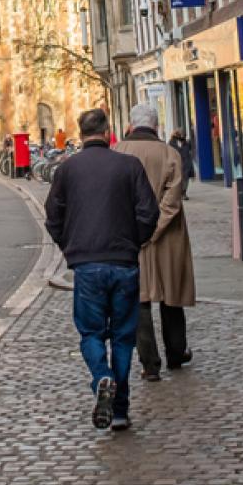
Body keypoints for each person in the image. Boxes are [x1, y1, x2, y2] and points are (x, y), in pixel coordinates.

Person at [45, 108, 159, 432]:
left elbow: (53, 215)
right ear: (109, 132)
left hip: (88, 265)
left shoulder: (67, 170)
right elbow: (148, 212)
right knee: (123, 338)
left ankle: (101, 378)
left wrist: (70, 246)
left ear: (80, 134)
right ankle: (120, 410)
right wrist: (133, 242)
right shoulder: (128, 165)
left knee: (91, 333)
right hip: (123, 264)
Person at [115, 101, 194, 381]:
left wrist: (139, 231)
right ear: (156, 125)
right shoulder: (170, 154)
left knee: (140, 298)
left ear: (131, 125)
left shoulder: (118, 152)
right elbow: (172, 200)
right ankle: (176, 353)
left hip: (131, 237)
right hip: (168, 237)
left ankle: (150, 363)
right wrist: (156, 228)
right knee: (171, 296)